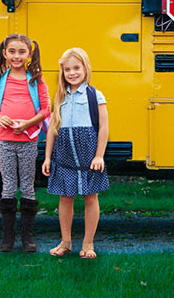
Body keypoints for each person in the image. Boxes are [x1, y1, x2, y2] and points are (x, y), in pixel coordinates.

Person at [42, 47, 109, 259]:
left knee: (91, 197)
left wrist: (99, 155)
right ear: (62, 72)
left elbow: (104, 128)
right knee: (65, 198)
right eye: (67, 69)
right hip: (65, 155)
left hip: (89, 154)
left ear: (85, 68)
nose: (72, 73)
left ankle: (88, 243)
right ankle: (66, 242)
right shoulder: (60, 96)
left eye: (76, 68)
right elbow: (53, 128)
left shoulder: (94, 95)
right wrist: (47, 157)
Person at [0, 33, 50, 252]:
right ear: (4, 54)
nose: (16, 56)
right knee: (8, 185)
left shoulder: (36, 79)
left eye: (21, 52)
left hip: (28, 141)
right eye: (12, 51)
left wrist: (27, 124)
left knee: (27, 186)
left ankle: (27, 237)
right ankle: (8, 238)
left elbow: (45, 110)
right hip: (5, 141)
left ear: (29, 54)